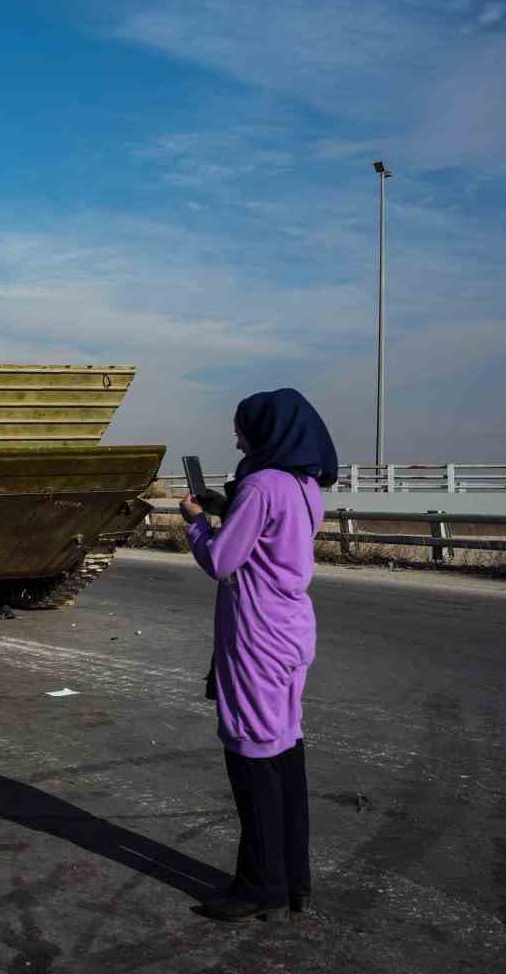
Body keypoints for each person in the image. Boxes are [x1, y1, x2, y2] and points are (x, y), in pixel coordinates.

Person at [179, 387, 337, 922]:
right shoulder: (304, 484)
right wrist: (229, 507)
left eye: (242, 426)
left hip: (256, 635)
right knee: (286, 753)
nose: (236, 435)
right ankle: (294, 879)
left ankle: (259, 886)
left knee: (251, 758)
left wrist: (196, 522)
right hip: (293, 631)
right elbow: (270, 539)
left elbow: (224, 561)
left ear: (266, 431)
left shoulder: (260, 486)